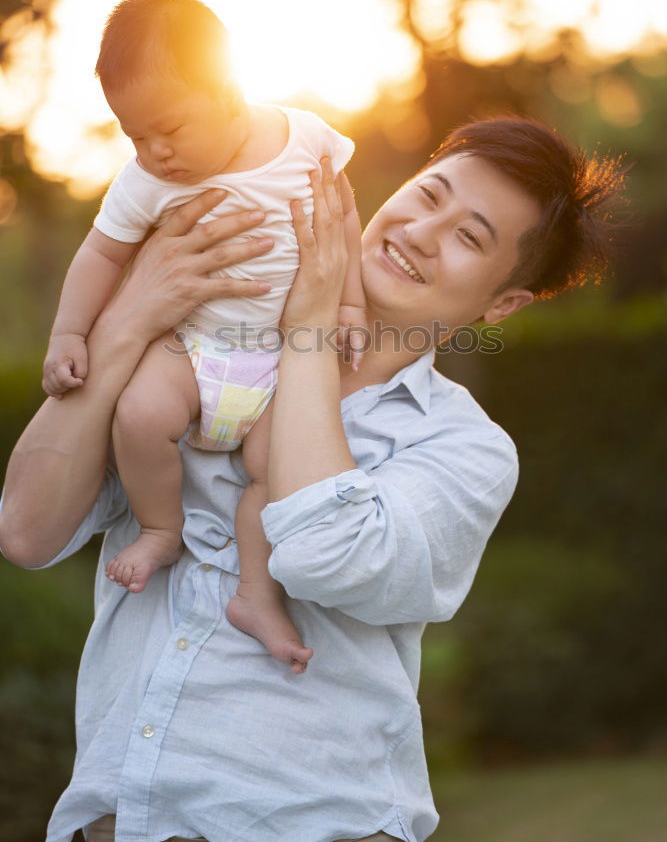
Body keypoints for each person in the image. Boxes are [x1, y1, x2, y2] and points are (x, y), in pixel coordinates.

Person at [0, 117, 625, 842]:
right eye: (428, 196)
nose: (421, 232)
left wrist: (307, 330)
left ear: (502, 304)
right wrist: (125, 321)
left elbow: (323, 549)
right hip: (119, 822)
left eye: (468, 237)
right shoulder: (198, 351)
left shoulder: (463, 449)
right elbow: (25, 530)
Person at [40, 0, 365, 674]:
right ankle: (161, 528)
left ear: (228, 87)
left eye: (169, 128)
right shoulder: (144, 184)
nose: (155, 151)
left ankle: (255, 592)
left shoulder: (305, 138)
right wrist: (69, 334)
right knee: (138, 412)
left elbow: (342, 220)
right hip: (193, 349)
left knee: (277, 469)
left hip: (280, 360)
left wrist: (350, 307)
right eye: (134, 136)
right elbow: (101, 253)